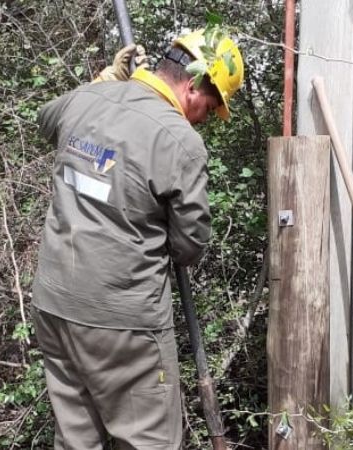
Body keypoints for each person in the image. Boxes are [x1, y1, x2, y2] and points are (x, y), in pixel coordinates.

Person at [31, 29, 244, 450]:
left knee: (77, 442)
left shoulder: (86, 101)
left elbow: (46, 118)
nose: (206, 116)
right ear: (196, 85)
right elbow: (189, 247)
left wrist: (105, 83)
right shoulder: (179, 141)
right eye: (213, 103)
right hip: (123, 325)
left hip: (55, 306)